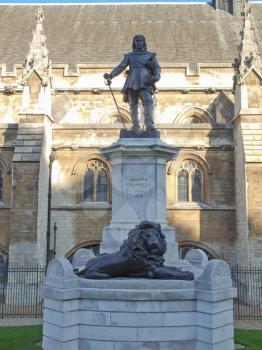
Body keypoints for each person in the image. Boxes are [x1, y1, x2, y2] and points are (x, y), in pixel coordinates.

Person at [104, 35, 161, 133]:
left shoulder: (151, 55)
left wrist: (157, 75)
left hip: (146, 81)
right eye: (137, 41)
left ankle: (149, 125)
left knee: (148, 102)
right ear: (134, 43)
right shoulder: (129, 56)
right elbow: (120, 67)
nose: (139, 43)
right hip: (132, 81)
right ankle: (135, 126)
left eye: (140, 41)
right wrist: (111, 75)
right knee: (133, 104)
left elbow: (156, 67)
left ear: (143, 43)